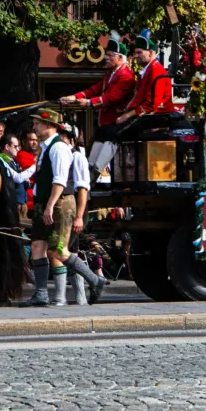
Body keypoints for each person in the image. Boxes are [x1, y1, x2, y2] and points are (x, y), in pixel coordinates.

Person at [22, 109, 107, 307]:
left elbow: (59, 181)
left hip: (59, 205)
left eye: (37, 123)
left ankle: (96, 280)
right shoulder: (47, 147)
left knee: (58, 251)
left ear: (48, 125)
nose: (34, 127)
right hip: (45, 204)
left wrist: (50, 206)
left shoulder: (58, 148)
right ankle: (41, 294)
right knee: (37, 246)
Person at [59, 36, 137, 177]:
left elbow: (112, 98)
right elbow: (94, 89)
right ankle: (86, 189)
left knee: (95, 167)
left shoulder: (126, 76)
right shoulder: (111, 74)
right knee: (89, 165)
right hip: (106, 125)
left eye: (109, 55)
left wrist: (89, 102)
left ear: (120, 58)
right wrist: (74, 97)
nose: (105, 58)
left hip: (115, 126)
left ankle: (88, 189)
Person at [58, 123, 93, 305]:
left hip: (75, 208)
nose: (60, 141)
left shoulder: (77, 157)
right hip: (62, 208)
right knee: (66, 250)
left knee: (64, 250)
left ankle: (85, 290)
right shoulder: (57, 155)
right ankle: (80, 295)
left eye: (64, 138)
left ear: (71, 140)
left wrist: (79, 216)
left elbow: (82, 189)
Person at [116, 30, 179, 123]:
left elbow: (151, 105)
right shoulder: (148, 70)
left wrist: (127, 116)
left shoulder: (155, 70)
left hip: (156, 119)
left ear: (150, 53)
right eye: (135, 53)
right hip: (147, 117)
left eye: (139, 52)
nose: (136, 56)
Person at [15, 130, 40, 213]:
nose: (34, 142)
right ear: (24, 141)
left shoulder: (31, 155)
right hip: (28, 202)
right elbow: (35, 174)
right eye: (32, 140)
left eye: (36, 140)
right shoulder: (22, 155)